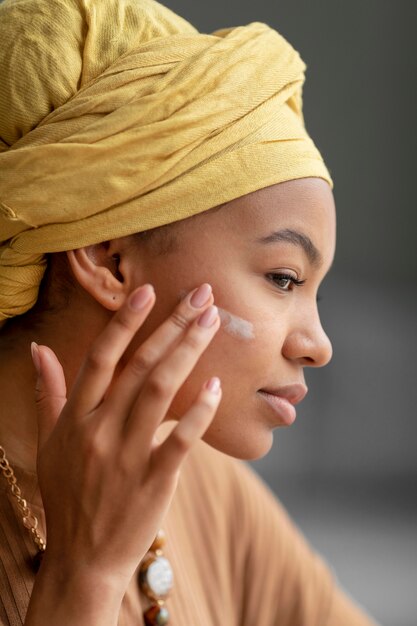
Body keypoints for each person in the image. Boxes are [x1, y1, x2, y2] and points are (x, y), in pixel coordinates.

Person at [0, 0, 378, 624]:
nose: (318, 344)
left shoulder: (198, 480)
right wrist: (84, 575)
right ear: (108, 258)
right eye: (284, 278)